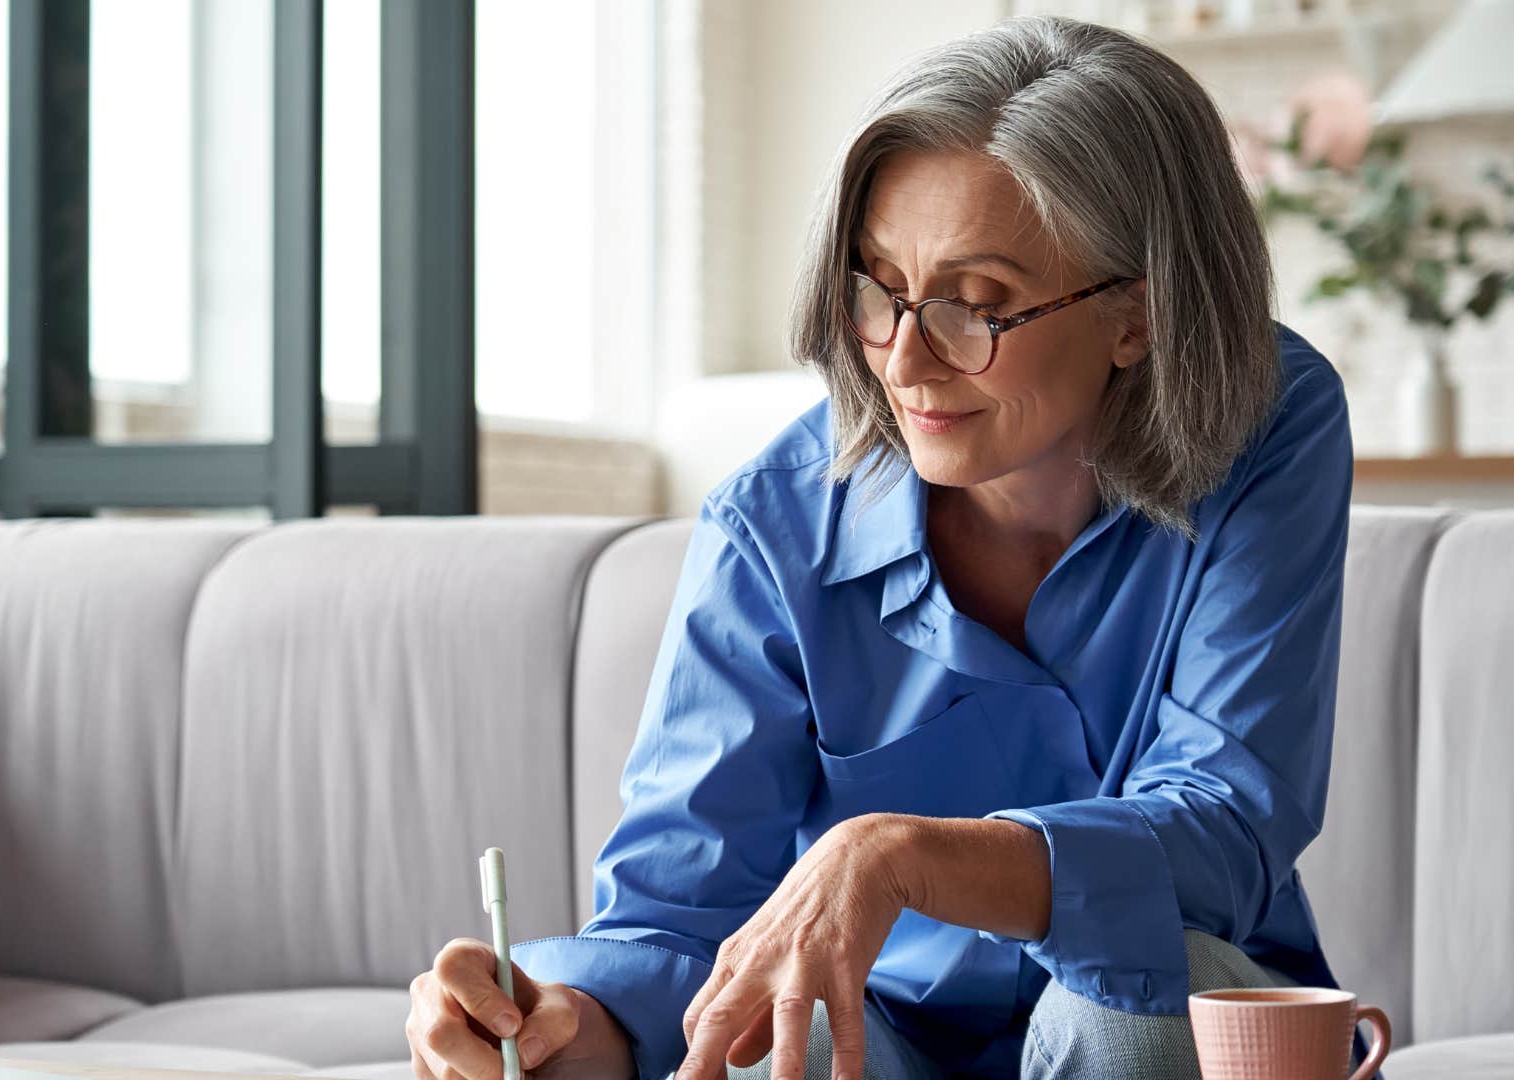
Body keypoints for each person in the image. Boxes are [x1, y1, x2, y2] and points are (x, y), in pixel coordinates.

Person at [406, 14, 1353, 1080]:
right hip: (879, 1032)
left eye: (974, 306)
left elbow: (1227, 829)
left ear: (1136, 315)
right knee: (785, 1032)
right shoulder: (771, 524)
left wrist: (900, 856)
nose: (902, 361)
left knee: (1132, 998)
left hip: (1160, 1015)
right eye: (876, 290)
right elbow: (678, 927)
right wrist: (548, 1029)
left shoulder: (1269, 423)